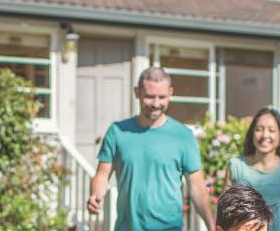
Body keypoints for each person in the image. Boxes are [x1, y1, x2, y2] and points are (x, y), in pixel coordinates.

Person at [87, 66, 216, 231]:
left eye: (162, 97)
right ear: (137, 92)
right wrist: (95, 195)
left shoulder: (183, 135)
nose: (156, 104)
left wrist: (212, 226)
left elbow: (197, 187)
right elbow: (102, 175)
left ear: (170, 93)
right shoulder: (117, 132)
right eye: (149, 97)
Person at [223, 107, 280, 231]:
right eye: (259, 129)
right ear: (252, 134)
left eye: (272, 130)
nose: (265, 135)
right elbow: (224, 208)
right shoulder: (236, 166)